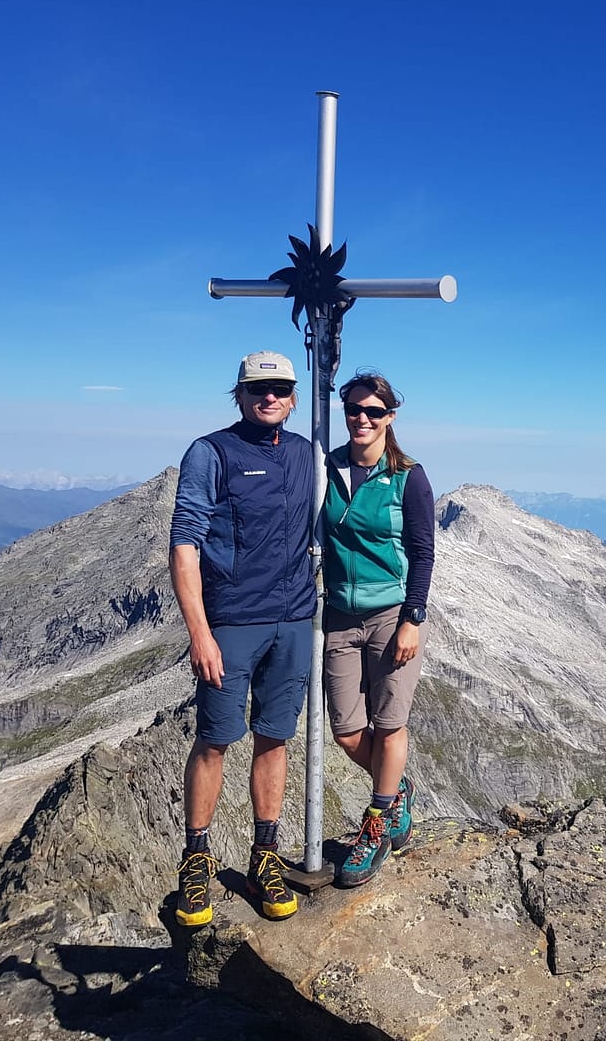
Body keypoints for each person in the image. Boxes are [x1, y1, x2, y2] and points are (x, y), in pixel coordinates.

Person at [168, 351, 315, 925]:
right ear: (240, 394)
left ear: (295, 395)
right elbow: (184, 544)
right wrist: (199, 633)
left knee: (274, 737)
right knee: (214, 739)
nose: (269, 397)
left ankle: (265, 854)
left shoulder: (306, 454)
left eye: (280, 388)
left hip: (294, 619)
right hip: (230, 622)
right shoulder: (211, 452)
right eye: (259, 389)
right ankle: (197, 859)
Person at [323, 371, 434, 888]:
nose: (362, 419)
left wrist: (413, 619)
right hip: (339, 617)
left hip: (391, 616)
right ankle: (397, 793)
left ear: (390, 417)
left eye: (373, 411)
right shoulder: (327, 468)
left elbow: (422, 552)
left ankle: (376, 823)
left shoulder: (409, 477)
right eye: (354, 410)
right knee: (347, 730)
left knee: (389, 724)